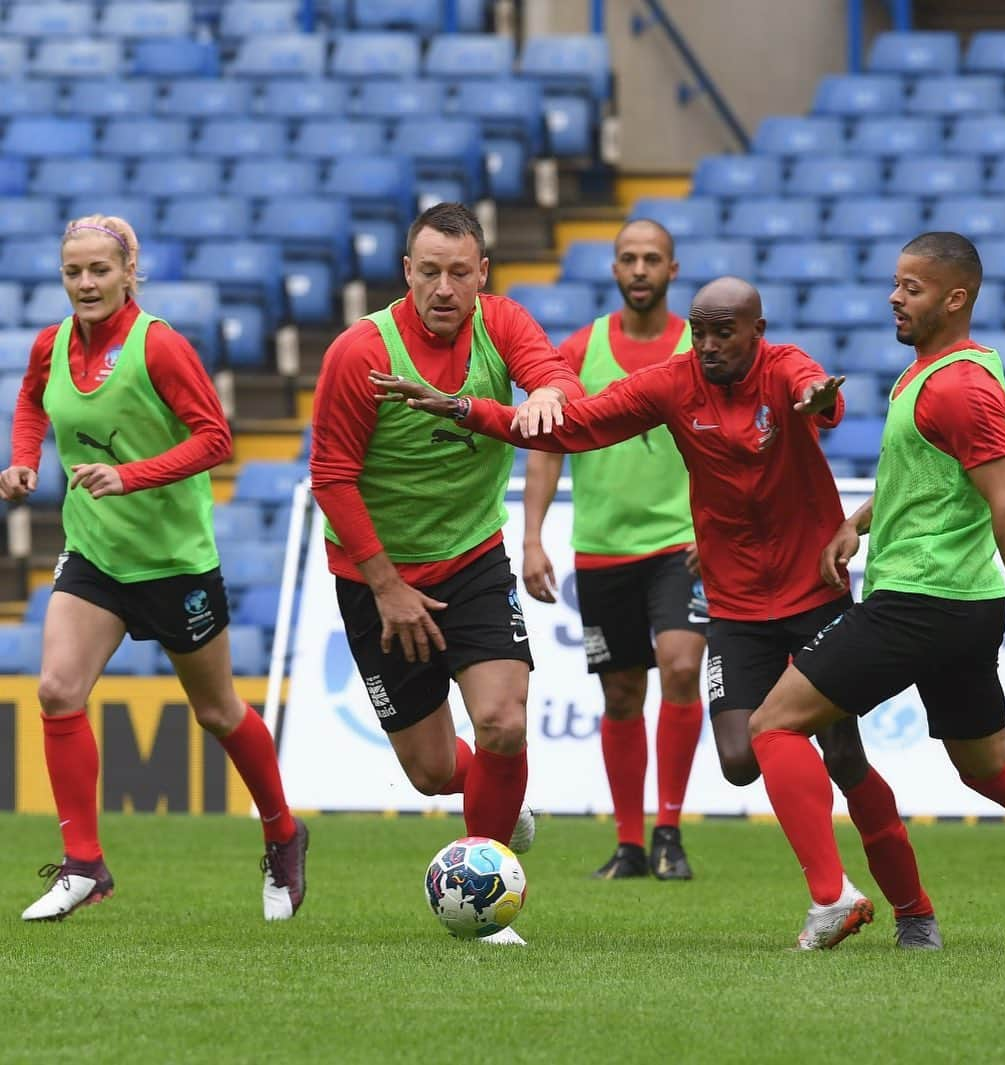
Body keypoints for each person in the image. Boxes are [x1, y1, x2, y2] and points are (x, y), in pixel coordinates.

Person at [371, 274, 940, 949]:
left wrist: (816, 400)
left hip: (811, 591)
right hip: (732, 603)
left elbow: (813, 394)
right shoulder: (674, 384)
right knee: (738, 754)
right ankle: (827, 891)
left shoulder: (785, 366)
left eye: (721, 332)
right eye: (698, 332)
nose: (705, 345)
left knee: (842, 751)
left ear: (755, 332)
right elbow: (574, 428)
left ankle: (907, 909)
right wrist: (464, 409)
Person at [741, 230, 1005, 950]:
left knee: (771, 724)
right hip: (952, 602)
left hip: (921, 603)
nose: (893, 295)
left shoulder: (958, 387)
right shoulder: (933, 372)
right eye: (894, 282)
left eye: (910, 287)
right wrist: (858, 522)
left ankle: (831, 898)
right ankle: (910, 917)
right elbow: (919, 481)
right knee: (987, 767)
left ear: (954, 298)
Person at [1, 214, 308, 923]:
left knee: (217, 710)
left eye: (99, 270)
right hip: (95, 554)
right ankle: (84, 864)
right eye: (73, 271)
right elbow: (30, 400)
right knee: (56, 688)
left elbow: (216, 438)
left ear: (128, 272)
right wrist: (25, 459)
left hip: (173, 564)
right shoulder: (51, 344)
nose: (85, 283)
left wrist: (131, 475)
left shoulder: (159, 345)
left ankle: (282, 833)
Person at [309, 202, 585, 946]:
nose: (442, 287)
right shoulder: (358, 351)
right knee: (432, 770)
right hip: (373, 576)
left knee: (501, 720)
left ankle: (488, 899)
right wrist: (386, 584)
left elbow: (552, 376)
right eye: (428, 271)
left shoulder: (503, 323)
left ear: (481, 274)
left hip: (470, 560)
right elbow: (330, 477)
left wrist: (551, 395)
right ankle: (502, 795)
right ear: (406, 272)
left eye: (458, 272)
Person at [522, 220, 705, 880]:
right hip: (601, 548)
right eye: (627, 258)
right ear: (612, 269)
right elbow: (546, 440)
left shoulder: (697, 347)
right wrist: (532, 535)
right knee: (621, 693)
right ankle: (629, 844)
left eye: (650, 258)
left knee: (682, 668)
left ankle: (669, 832)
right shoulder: (578, 350)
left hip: (680, 544)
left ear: (671, 270)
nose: (638, 269)